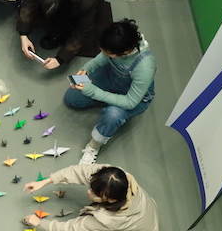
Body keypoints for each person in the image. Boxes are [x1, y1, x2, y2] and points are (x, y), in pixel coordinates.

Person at [21, 164, 159, 231]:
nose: (89, 192)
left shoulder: (108, 219)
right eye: (91, 187)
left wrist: (40, 223)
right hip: (145, 220)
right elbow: (81, 171)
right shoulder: (117, 177)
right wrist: (46, 181)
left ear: (111, 200)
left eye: (95, 194)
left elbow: (71, 230)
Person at [65, 19, 156, 164]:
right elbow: (102, 57)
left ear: (125, 52)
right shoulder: (116, 42)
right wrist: (86, 69)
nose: (104, 54)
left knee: (113, 115)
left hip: (131, 97)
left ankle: (93, 147)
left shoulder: (145, 67)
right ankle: (107, 101)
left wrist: (93, 92)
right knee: (72, 99)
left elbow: (130, 102)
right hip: (110, 77)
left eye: (109, 54)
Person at [17, 0, 112, 70]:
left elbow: (82, 32)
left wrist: (60, 59)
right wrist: (23, 34)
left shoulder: (87, 2)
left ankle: (58, 33)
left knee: (74, 33)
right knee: (29, 12)